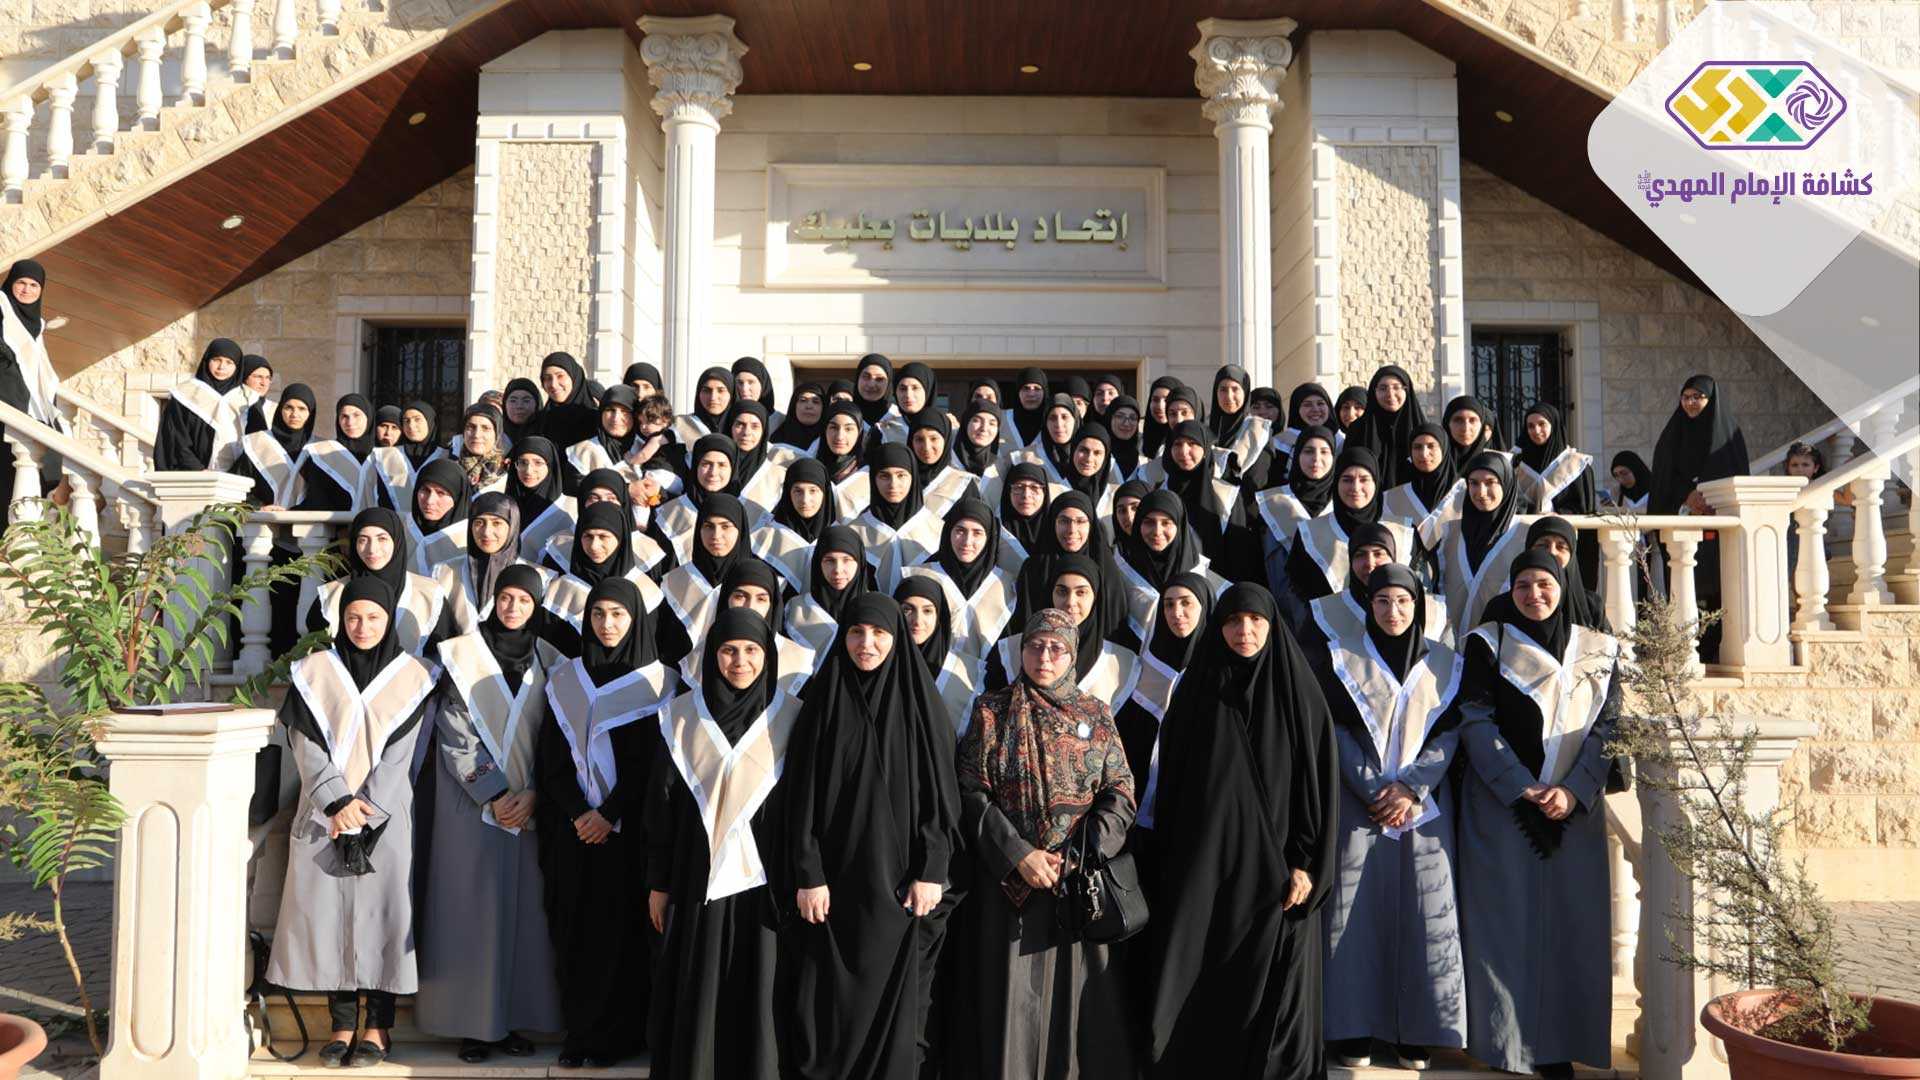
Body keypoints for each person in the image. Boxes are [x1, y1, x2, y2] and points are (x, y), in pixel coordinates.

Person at [1148, 583, 1337, 1080]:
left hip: (1278, 875)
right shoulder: (1198, 690)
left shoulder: (1300, 694)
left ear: (1272, 626)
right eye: (1233, 620)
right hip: (1208, 873)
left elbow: (1315, 786)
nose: (1244, 631)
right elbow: (1175, 785)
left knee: (1272, 993)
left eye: (1255, 621)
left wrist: (1305, 862)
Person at [955, 607, 1138, 1078]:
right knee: (1014, 1012)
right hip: (1011, 888)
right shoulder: (992, 711)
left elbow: (1120, 791)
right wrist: (1019, 855)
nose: (1045, 657)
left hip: (1077, 888)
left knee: (1078, 1012)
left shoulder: (1095, 713)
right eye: (1035, 646)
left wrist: (1083, 854)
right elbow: (971, 792)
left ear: (1072, 655)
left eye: (1057, 648)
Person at [1457, 553, 1620, 1080]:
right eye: (1523, 584)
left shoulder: (1598, 649)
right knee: (1504, 927)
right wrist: (1520, 785)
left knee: (1572, 931)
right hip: (1501, 807)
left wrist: (1573, 791)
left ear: (1564, 585)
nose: (1534, 594)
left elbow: (1610, 726)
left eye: (1544, 583)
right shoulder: (1488, 643)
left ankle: (1561, 1047)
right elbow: (1475, 718)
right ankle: (1506, 1046)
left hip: (1574, 813)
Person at [785, 594, 961, 1080]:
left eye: (880, 633)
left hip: (900, 887)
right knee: (829, 1002)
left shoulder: (921, 707)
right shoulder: (823, 702)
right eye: (857, 632)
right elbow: (801, 799)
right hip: (833, 890)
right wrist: (808, 873)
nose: (867, 644)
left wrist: (931, 870)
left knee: (896, 1005)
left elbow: (942, 800)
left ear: (896, 638)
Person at [268, 578, 438, 1068]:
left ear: (389, 620)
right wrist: (336, 801)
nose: (363, 627)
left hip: (385, 818)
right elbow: (304, 744)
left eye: (374, 617)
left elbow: (402, 755)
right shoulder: (315, 671)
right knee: (331, 922)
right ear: (341, 620)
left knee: (382, 920)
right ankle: (341, 1026)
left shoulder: (413, 676)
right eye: (353, 617)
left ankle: (378, 1029)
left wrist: (365, 809)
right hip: (325, 814)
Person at [1311, 565, 1466, 1071]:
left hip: (1425, 810)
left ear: (1417, 605)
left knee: (1426, 913)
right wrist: (1376, 787)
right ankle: (1353, 1027)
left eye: (1402, 601)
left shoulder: (1446, 664)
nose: (1392, 611)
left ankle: (1416, 1032)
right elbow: (1334, 730)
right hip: (1362, 807)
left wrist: (1412, 786)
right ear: (1368, 604)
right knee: (1353, 915)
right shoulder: (1341, 659)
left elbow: (1450, 733)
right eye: (1382, 601)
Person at [417, 565, 565, 1062]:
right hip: (473, 806)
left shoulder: (551, 659)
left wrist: (536, 793)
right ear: (493, 600)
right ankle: (474, 1027)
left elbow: (559, 735)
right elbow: (454, 731)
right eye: (506, 598)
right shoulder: (463, 655)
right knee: (473, 916)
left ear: (536, 606)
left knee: (525, 920)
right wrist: (495, 793)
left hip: (530, 808)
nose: (513, 608)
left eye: (524, 600)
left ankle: (514, 1020)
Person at [647, 607, 801, 1079]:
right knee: (698, 980)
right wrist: (659, 882)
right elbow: (661, 806)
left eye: (752, 650)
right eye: (729, 650)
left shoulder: (791, 717)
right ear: (712, 655)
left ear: (768, 656)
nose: (740, 661)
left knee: (760, 981)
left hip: (765, 878)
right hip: (695, 874)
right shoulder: (681, 716)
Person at [536, 577, 672, 1068]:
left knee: (622, 937)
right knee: (575, 932)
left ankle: (618, 1037)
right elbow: (550, 759)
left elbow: (653, 767)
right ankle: (580, 1034)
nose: (607, 624)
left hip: (629, 835)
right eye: (597, 614)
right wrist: (579, 813)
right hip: (574, 833)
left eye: (618, 614)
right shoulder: (566, 680)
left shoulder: (658, 683)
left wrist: (609, 814)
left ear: (636, 619)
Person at [1648, 375, 1749, 661]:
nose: (1691, 402)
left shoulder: (1728, 435)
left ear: (1711, 399)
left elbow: (1736, 476)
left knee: (1719, 587)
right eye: (1686, 397)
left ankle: (1718, 649)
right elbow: (1663, 479)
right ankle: (1684, 649)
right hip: (1682, 522)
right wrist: (1686, 496)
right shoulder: (1673, 435)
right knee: (1685, 586)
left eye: (1698, 397)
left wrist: (1708, 495)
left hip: (1718, 528)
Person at [988, 554, 1141, 711]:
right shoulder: (1010, 652)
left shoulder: (1121, 664)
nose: (1070, 602)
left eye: (1081, 593)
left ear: (1096, 597)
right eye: (1062, 592)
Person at [305, 507, 452, 656]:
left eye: (382, 539)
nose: (372, 549)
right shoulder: (331, 597)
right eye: (363, 540)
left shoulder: (429, 594)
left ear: (397, 540)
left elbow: (442, 654)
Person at [898, 496, 1016, 659]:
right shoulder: (922, 576)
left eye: (977, 533)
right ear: (948, 532)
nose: (967, 541)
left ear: (989, 537)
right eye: (960, 530)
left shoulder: (1007, 586)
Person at [1433, 452, 1533, 639]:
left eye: (1490, 482)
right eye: (1474, 483)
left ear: (1506, 483)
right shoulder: (1450, 534)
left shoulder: (1525, 536)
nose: (1481, 492)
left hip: (1502, 646)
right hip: (1450, 647)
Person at [0, 259, 67, 509]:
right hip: (7, 403)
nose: (26, 290)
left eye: (33, 285)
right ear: (10, 283)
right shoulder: (1, 308)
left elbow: (38, 368)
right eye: (21, 283)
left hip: (28, 406)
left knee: (40, 468)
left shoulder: (36, 323)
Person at [435, 492, 543, 634]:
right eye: (479, 523)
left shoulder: (541, 578)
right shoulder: (444, 572)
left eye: (496, 523)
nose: (486, 532)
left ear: (512, 526)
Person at [1115, 490, 1218, 641]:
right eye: (1149, 522)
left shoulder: (1201, 573)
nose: (1157, 531)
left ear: (1179, 525)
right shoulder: (1121, 569)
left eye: (1166, 523)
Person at [1513, 403, 1598, 584]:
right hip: (1527, 542)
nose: (1536, 430)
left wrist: (1561, 514)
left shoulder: (1576, 465)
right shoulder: (1518, 464)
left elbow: (1584, 507)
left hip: (1565, 545)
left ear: (1554, 425)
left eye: (1541, 424)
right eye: (1530, 426)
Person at [1255, 426, 1337, 600]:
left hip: (1331, 607)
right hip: (1282, 604)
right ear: (1297, 455)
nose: (1316, 459)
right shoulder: (1273, 503)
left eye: (1324, 452)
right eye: (1308, 451)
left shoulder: (1341, 505)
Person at [893, 575, 981, 732]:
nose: (917, 620)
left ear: (939, 616)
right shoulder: (881, 663)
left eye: (927, 611)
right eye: (907, 610)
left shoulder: (964, 671)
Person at [154, 338, 244, 471]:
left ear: (237, 366)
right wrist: (196, 468)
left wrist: (239, 472)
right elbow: (175, 436)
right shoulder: (184, 394)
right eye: (216, 360)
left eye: (229, 362)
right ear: (206, 360)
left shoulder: (246, 398)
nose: (221, 367)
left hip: (237, 477)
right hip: (193, 474)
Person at [785, 525, 872, 655]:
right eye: (829, 560)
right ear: (818, 563)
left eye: (847, 560)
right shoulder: (796, 609)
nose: (837, 570)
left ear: (860, 562)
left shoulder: (874, 608)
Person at [229, 384, 315, 506]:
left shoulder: (318, 447)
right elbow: (236, 485)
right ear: (280, 409)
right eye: (288, 407)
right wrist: (259, 506)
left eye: (302, 409)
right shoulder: (258, 443)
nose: (294, 414)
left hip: (308, 517)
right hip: (264, 516)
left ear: (310, 412)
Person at [1345, 365, 1426, 490]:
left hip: (1415, 498)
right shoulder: (1358, 429)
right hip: (1368, 498)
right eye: (1383, 388)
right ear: (1374, 392)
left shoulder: (1423, 430)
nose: (1390, 394)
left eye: (1396, 387)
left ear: (1407, 390)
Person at [506, 436, 576, 556]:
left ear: (550, 466)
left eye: (538, 463)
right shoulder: (505, 505)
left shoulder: (569, 508)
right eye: (522, 462)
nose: (528, 470)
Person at [1206, 364, 1273, 490]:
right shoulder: (1205, 428)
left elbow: (1257, 480)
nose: (1229, 396)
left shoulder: (1258, 430)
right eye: (1223, 389)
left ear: (1245, 392)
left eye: (1235, 389)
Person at [405, 457, 471, 573]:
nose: (430, 501)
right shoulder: (403, 528)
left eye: (441, 493)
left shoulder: (469, 541)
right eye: (425, 490)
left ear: (457, 498)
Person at [535, 352, 600, 449]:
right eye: (548, 378)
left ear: (574, 377)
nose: (553, 384)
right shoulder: (539, 422)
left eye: (560, 376)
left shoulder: (597, 421)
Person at [1270, 383, 1335, 480]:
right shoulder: (1281, 441)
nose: (1315, 409)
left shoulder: (1340, 439)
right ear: (1297, 409)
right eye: (1307, 405)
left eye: (1320, 403)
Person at [1440, 395, 1505, 475]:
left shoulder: (1498, 466)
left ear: (1482, 424)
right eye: (1458, 420)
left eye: (1473, 420)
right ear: (1447, 424)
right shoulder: (1433, 462)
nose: (1465, 428)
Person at [456, 402, 511, 491]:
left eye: (485, 428)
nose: (476, 435)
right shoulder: (450, 466)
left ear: (497, 434)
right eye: (471, 427)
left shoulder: (508, 472)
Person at [770, 381, 827, 450]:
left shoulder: (830, 440)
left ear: (823, 408)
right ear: (794, 405)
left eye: (815, 402)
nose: (809, 406)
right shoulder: (773, 435)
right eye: (803, 400)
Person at [229, 354, 276, 435]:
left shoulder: (276, 409)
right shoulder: (229, 405)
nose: (264, 383)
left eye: (267, 378)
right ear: (244, 377)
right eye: (258, 377)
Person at [1003, 366, 1049, 446]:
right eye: (1026, 388)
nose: (1031, 394)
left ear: (1045, 392)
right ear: (1018, 393)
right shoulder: (1004, 420)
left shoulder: (1053, 420)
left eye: (1037, 388)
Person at [1140, 375, 1181, 459]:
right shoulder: (1139, 442)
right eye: (1155, 400)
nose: (1160, 406)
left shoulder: (1188, 442)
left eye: (1167, 400)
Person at [399, 400, 445, 472]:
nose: (411, 426)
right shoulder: (391, 456)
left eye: (417, 419)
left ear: (430, 422)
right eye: (406, 420)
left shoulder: (446, 456)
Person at [501, 378, 542, 446]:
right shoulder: (495, 435)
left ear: (537, 404)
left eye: (526, 401)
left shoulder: (546, 432)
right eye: (513, 401)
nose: (519, 406)